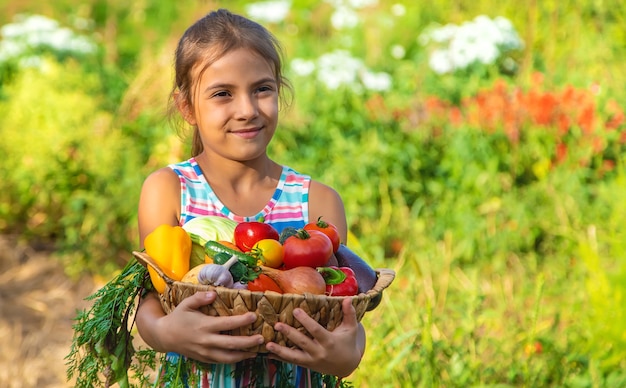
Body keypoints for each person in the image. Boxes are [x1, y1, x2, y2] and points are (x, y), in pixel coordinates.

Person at [135, 8, 366, 387]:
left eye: (262, 89)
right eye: (222, 94)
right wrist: (166, 334)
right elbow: (149, 297)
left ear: (280, 90)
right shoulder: (169, 189)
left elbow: (346, 312)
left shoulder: (318, 202)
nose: (247, 110)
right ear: (187, 107)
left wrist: (347, 355)